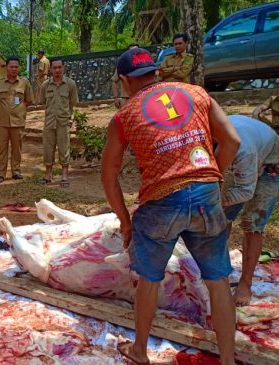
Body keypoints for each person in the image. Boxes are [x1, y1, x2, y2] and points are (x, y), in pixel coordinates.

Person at [101, 48, 240, 365]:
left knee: (149, 278)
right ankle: (228, 361)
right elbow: (231, 140)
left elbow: (109, 173)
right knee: (217, 280)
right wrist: (211, 179)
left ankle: (139, 352)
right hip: (205, 195)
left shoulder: (124, 116)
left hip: (161, 200)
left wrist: (125, 221)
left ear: (125, 80)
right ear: (156, 72)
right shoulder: (197, 94)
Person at [222, 115, 279, 307]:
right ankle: (219, 273)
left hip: (271, 164)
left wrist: (217, 200)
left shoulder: (244, 151)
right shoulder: (203, 139)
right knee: (220, 219)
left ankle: (245, 283)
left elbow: (245, 191)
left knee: (252, 224)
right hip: (243, 155)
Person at [37, 57, 78, 187]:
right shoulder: (45, 85)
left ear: (64, 67)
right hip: (49, 122)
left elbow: (73, 105)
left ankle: (64, 176)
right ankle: (48, 175)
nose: (57, 70)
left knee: (64, 148)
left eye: (59, 67)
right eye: (54, 68)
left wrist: (71, 119)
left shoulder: (71, 84)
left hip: (63, 122)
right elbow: (42, 102)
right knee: (48, 149)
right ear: (50, 69)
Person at [0, 56, 34, 183]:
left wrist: (18, 109)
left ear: (19, 68)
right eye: (11, 66)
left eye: (16, 66)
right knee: (1, 149)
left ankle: (16, 172)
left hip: (18, 122)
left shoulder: (24, 83)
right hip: (2, 123)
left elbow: (28, 100)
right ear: (6, 67)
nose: (14, 69)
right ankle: (1, 173)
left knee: (17, 149)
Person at [112, 43, 139, 108]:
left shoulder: (145, 65)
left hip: (140, 99)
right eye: (131, 51)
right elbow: (114, 81)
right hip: (126, 100)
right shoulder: (122, 66)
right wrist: (115, 98)